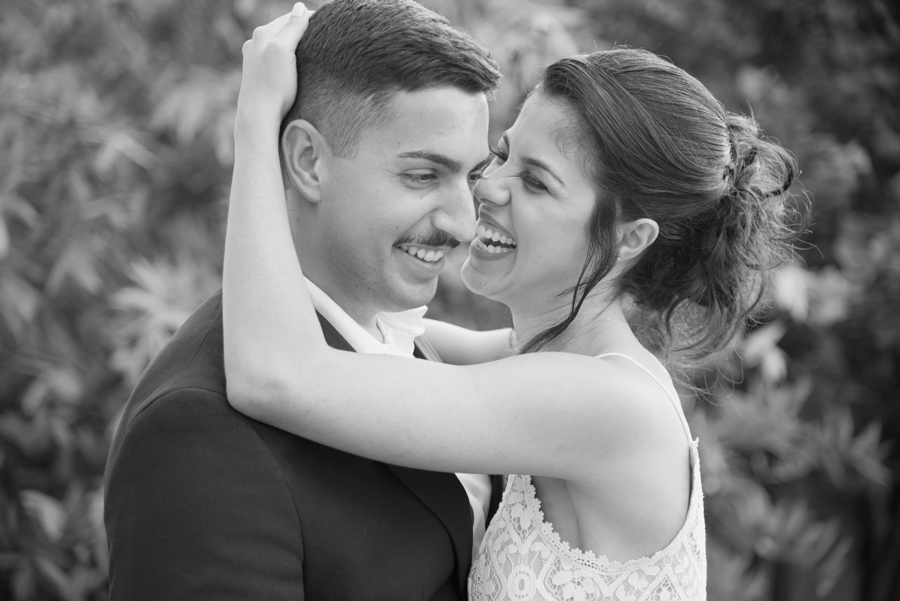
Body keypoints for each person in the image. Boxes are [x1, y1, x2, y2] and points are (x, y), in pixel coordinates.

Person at [224, 5, 805, 600]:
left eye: (536, 181)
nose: (486, 185)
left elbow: (275, 376)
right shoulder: (542, 360)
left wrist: (257, 119)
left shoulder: (605, 404)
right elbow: (366, 328)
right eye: (503, 155)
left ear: (630, 239)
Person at [103, 2, 501, 599]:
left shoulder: (418, 342)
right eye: (422, 176)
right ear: (308, 161)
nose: (465, 224)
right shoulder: (198, 432)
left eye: (471, 178)